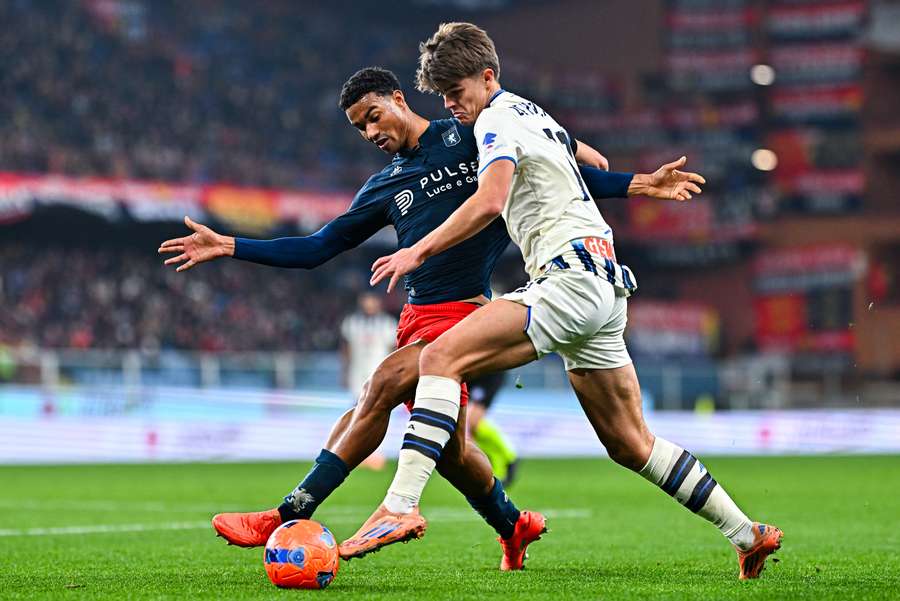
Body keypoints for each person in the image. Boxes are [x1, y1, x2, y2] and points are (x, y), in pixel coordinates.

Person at [159, 66, 704, 570]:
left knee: (382, 385)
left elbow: (565, 169)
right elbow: (316, 247)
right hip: (416, 317)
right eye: (358, 127)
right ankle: (513, 524)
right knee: (451, 453)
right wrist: (230, 244)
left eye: (374, 115)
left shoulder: (470, 136)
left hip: (467, 315)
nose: (369, 131)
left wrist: (639, 183)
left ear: (400, 99)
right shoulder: (383, 187)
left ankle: (285, 514)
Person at [344, 23, 782, 581]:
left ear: (487, 76)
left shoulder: (497, 122)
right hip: (603, 285)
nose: (452, 104)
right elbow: (590, 162)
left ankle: (398, 508)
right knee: (630, 443)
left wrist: (418, 251)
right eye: (444, 95)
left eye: (458, 91)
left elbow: (491, 199)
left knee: (438, 357)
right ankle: (748, 534)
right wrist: (641, 183)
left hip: (567, 279)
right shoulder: (532, 112)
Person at [340, 292, 396, 469]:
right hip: (357, 375)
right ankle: (357, 452)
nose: (369, 304)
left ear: (378, 303)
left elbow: (393, 351)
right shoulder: (351, 323)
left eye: (372, 301)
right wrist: (344, 372)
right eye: (366, 301)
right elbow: (346, 350)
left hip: (379, 375)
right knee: (357, 413)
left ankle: (376, 453)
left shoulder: (388, 324)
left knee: (377, 413)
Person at [466, 371, 517, 485]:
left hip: (490, 371)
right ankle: (491, 469)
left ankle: (509, 457)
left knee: (473, 422)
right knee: (470, 426)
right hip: (472, 369)